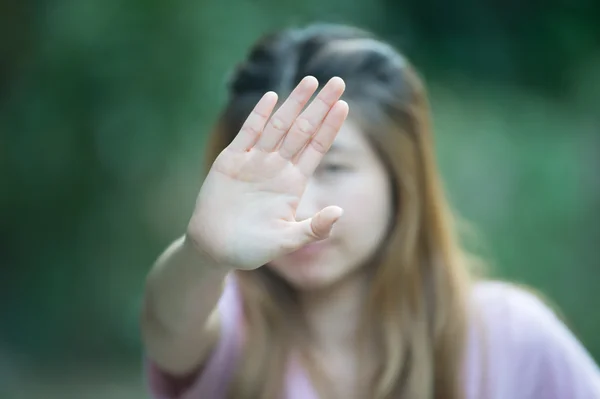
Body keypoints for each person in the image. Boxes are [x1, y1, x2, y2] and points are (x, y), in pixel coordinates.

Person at [140, 23, 600, 399]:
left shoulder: (509, 338)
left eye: (334, 167)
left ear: (401, 177)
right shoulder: (231, 325)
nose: (296, 209)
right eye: (267, 182)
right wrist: (203, 255)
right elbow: (168, 323)